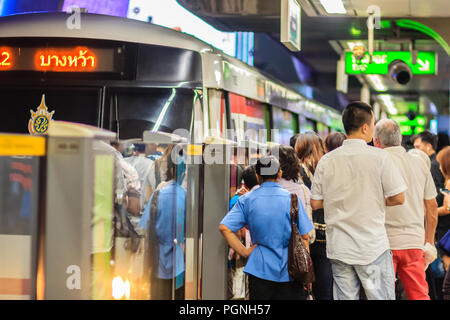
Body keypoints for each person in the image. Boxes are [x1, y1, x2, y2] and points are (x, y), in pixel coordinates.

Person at [310, 101, 407, 300]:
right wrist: (374, 200)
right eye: (373, 124)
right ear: (365, 128)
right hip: (371, 249)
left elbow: (315, 203)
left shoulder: (327, 161)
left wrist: (340, 200)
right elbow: (398, 197)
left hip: (339, 248)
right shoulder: (379, 158)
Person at [219, 155, 314, 300]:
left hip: (259, 270)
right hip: (290, 271)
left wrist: (244, 251)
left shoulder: (247, 199)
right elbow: (304, 237)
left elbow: (225, 228)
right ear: (279, 174)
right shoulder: (292, 199)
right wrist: (306, 272)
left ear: (258, 176)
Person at [374, 119, 438, 300]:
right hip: (414, 243)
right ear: (400, 138)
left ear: (377, 141)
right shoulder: (419, 163)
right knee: (419, 295)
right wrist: (428, 243)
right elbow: (432, 208)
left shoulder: (374, 163)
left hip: (382, 244)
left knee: (380, 296)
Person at [139, 153, 186, 300]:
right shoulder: (186, 197)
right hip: (180, 263)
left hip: (158, 261)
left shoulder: (157, 195)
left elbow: (145, 227)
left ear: (170, 171)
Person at [294, 132, 333, 300]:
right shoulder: (325, 169)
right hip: (324, 236)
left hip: (304, 236)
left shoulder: (294, 172)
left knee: (305, 285)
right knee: (325, 287)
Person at [412, 131, 449, 299]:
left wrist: (429, 239)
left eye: (418, 147)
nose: (415, 151)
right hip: (441, 233)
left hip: (442, 233)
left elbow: (436, 205)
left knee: (440, 281)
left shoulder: (431, 167)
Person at [436, 146, 450, 299]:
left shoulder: (449, 184)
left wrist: (430, 211)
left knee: (446, 286)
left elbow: (448, 208)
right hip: (446, 236)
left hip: (447, 237)